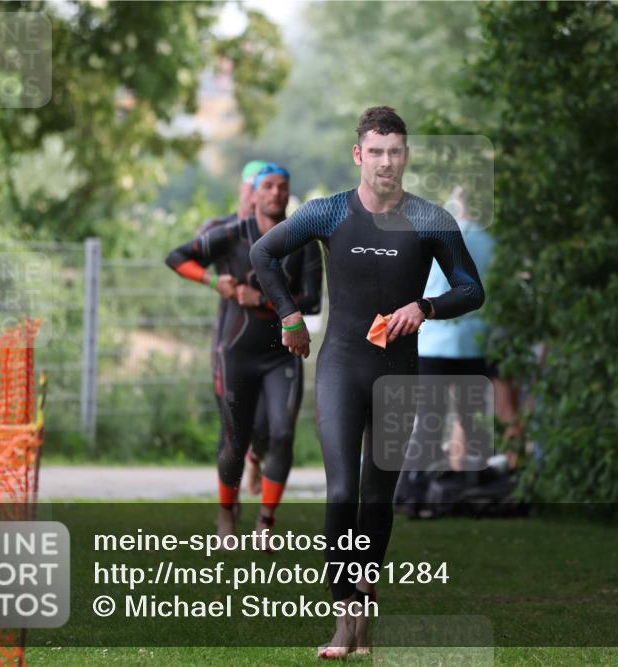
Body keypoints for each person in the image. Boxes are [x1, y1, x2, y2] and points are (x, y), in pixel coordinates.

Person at [250, 107, 484, 658]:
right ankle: (343, 621)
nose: (385, 161)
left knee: (379, 496)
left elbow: (472, 289)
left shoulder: (430, 220)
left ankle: (362, 609)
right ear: (359, 155)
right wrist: (287, 315)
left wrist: (424, 306)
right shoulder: (329, 212)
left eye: (395, 151)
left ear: (406, 156)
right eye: (375, 151)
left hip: (399, 372)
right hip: (341, 368)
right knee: (340, 491)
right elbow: (263, 254)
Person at [166, 163, 322, 542]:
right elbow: (176, 257)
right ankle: (225, 515)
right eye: (267, 186)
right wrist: (210, 279)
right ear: (252, 193)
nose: (275, 194)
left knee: (281, 433)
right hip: (236, 352)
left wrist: (264, 300)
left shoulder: (303, 240)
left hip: (282, 354)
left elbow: (313, 303)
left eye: (282, 187)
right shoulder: (232, 234)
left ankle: (266, 524)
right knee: (235, 439)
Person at [394, 186, 497, 516]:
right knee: (472, 422)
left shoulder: (432, 234)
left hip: (434, 341)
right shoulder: (492, 244)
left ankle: (412, 493)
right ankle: (473, 490)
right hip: (475, 342)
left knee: (428, 422)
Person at [198, 160, 271, 500]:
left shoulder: (275, 229)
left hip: (268, 340)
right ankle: (228, 504)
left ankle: (256, 458)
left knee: (266, 425)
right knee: (230, 425)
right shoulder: (223, 228)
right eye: (253, 186)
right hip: (227, 339)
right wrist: (213, 280)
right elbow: (192, 254)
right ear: (244, 189)